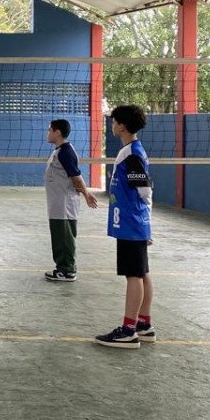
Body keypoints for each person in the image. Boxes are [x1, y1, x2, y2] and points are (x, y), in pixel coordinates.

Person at [95, 104, 155, 348]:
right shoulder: (130, 151)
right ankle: (143, 324)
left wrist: (146, 224)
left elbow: (145, 190)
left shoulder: (131, 153)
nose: (112, 125)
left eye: (114, 121)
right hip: (134, 223)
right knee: (142, 273)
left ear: (122, 126)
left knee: (134, 275)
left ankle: (129, 330)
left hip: (132, 223)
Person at [43, 118, 98, 282]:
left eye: (50, 130)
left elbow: (76, 177)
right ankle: (62, 268)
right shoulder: (60, 150)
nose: (48, 133)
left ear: (57, 132)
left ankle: (68, 271)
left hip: (64, 205)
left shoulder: (66, 152)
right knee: (59, 236)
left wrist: (86, 194)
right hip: (57, 203)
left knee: (65, 237)